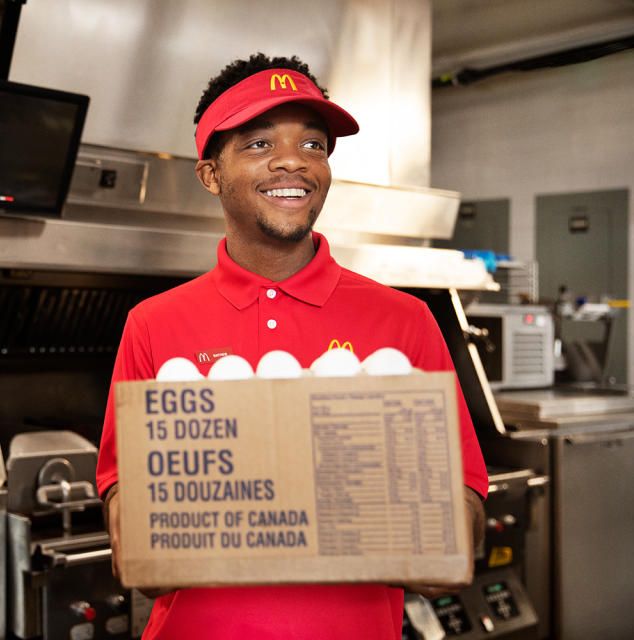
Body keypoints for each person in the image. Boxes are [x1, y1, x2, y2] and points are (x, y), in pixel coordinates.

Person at [95, 53, 488, 639]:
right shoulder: (153, 325)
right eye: (258, 144)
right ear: (210, 174)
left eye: (313, 145)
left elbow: (462, 531)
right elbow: (137, 546)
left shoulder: (405, 322)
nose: (292, 162)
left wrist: (372, 484)